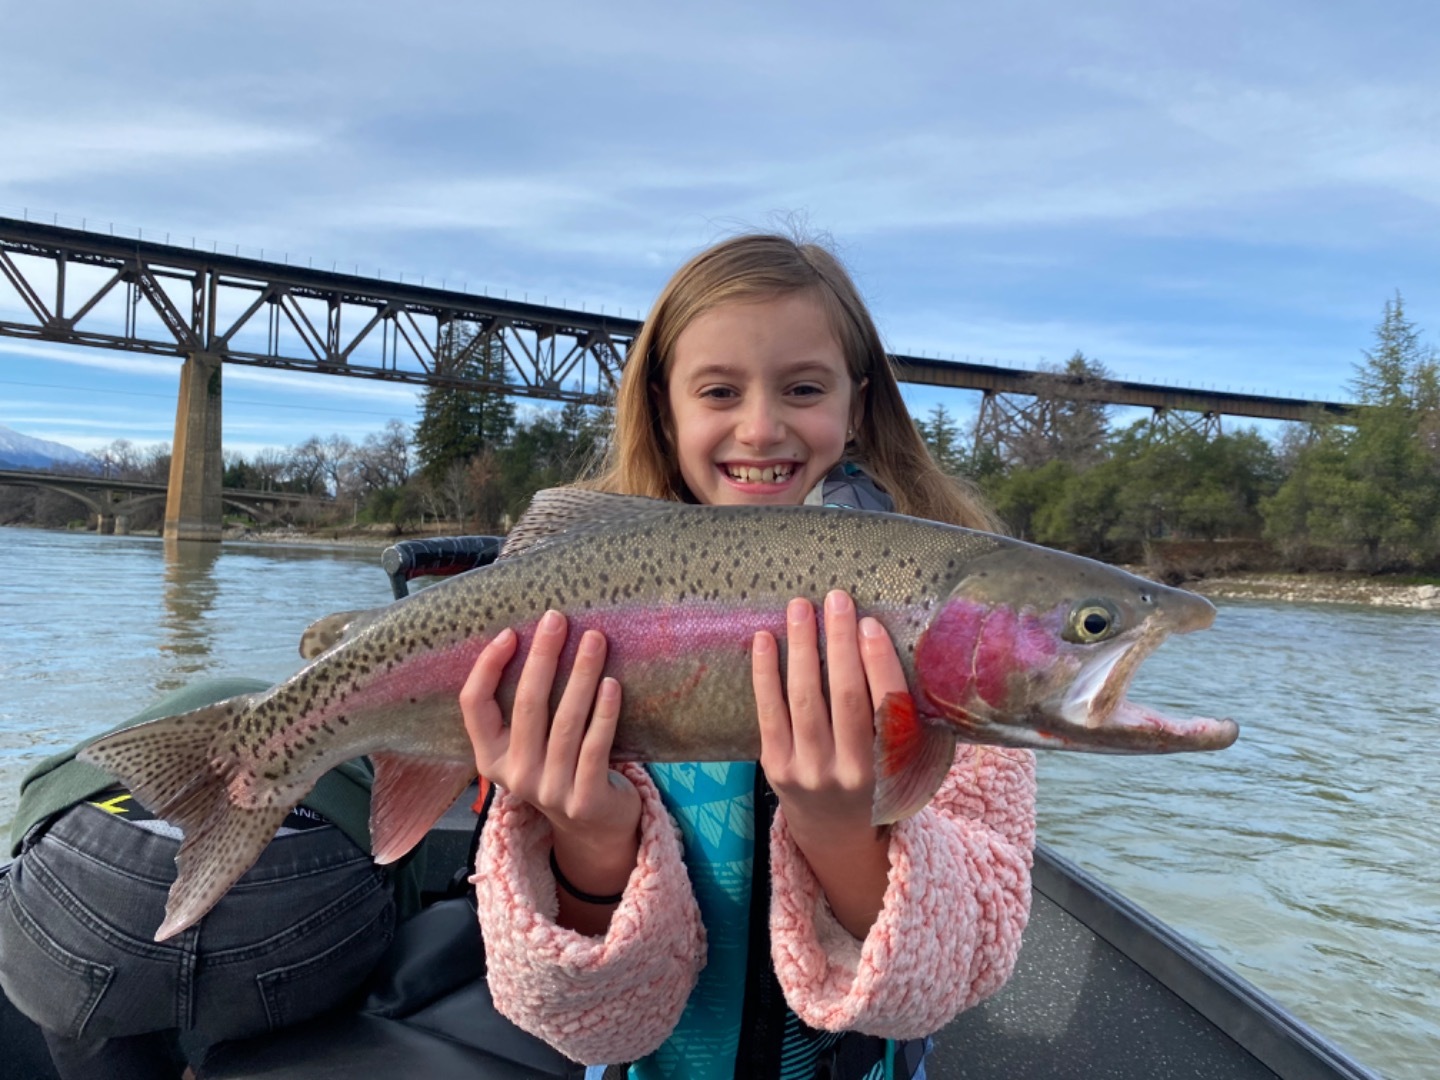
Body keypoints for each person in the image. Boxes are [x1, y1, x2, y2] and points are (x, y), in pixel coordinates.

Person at [459, 234, 1038, 1079]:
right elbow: (583, 1030)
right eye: (720, 391)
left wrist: (843, 832)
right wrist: (589, 841)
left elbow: (944, 987)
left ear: (857, 403)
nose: (761, 427)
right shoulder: (582, 610)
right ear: (665, 409)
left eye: (803, 388)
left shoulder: (957, 615)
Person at [0, 677, 426, 1080]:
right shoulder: (369, 739)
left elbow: (37, 807)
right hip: (304, 870)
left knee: (61, 956)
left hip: (93, 846)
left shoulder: (159, 724)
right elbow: (399, 862)